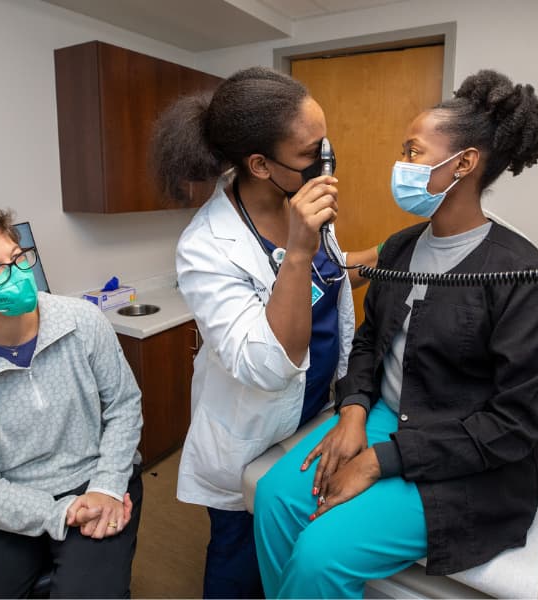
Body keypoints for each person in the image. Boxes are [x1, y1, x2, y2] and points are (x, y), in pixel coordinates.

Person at [253, 69, 538, 598]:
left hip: (468, 454)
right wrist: (352, 415)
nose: (402, 165)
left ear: (463, 163)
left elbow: (512, 426)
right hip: (386, 418)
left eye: (414, 152)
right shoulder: (399, 249)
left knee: (322, 554)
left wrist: (379, 461)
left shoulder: (522, 274)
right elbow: (371, 342)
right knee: (275, 500)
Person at [150, 66, 378, 598]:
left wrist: (393, 254)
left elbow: (331, 278)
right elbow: (269, 362)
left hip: (314, 412)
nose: (326, 162)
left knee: (292, 550)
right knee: (239, 563)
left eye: (326, 144)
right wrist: (299, 249)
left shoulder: (300, 204)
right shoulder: (207, 245)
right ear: (259, 164)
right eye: (310, 153)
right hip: (252, 434)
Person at [0, 209, 143, 598]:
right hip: (6, 499)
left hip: (93, 482)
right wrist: (58, 513)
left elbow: (123, 406)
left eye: (18, 257)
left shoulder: (82, 321)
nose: (19, 274)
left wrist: (106, 487)